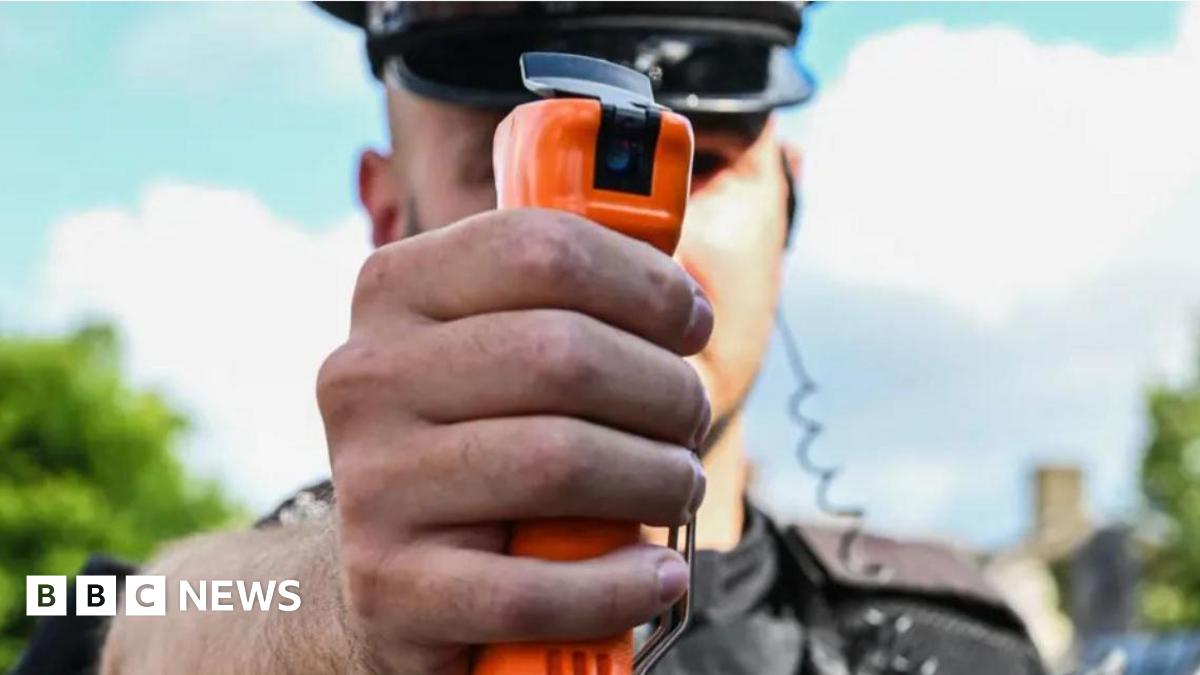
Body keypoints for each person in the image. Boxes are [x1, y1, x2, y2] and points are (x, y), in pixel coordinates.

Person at [16, 3, 1046, 674]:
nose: (611, 241)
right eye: (523, 154)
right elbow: (112, 613)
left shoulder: (952, 649)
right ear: (389, 213)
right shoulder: (232, 599)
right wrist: (333, 620)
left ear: (790, 202)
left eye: (704, 160)